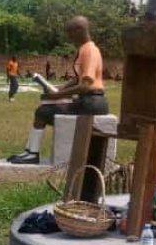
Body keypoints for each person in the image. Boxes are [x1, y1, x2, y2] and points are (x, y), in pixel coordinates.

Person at [6, 17, 108, 164]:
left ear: (79, 30)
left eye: (70, 32)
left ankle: (32, 154)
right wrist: (60, 89)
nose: (69, 37)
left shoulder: (90, 51)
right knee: (44, 108)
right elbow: (77, 78)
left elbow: (85, 85)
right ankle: (29, 152)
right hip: (87, 101)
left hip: (92, 104)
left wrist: (57, 95)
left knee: (43, 112)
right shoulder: (84, 49)